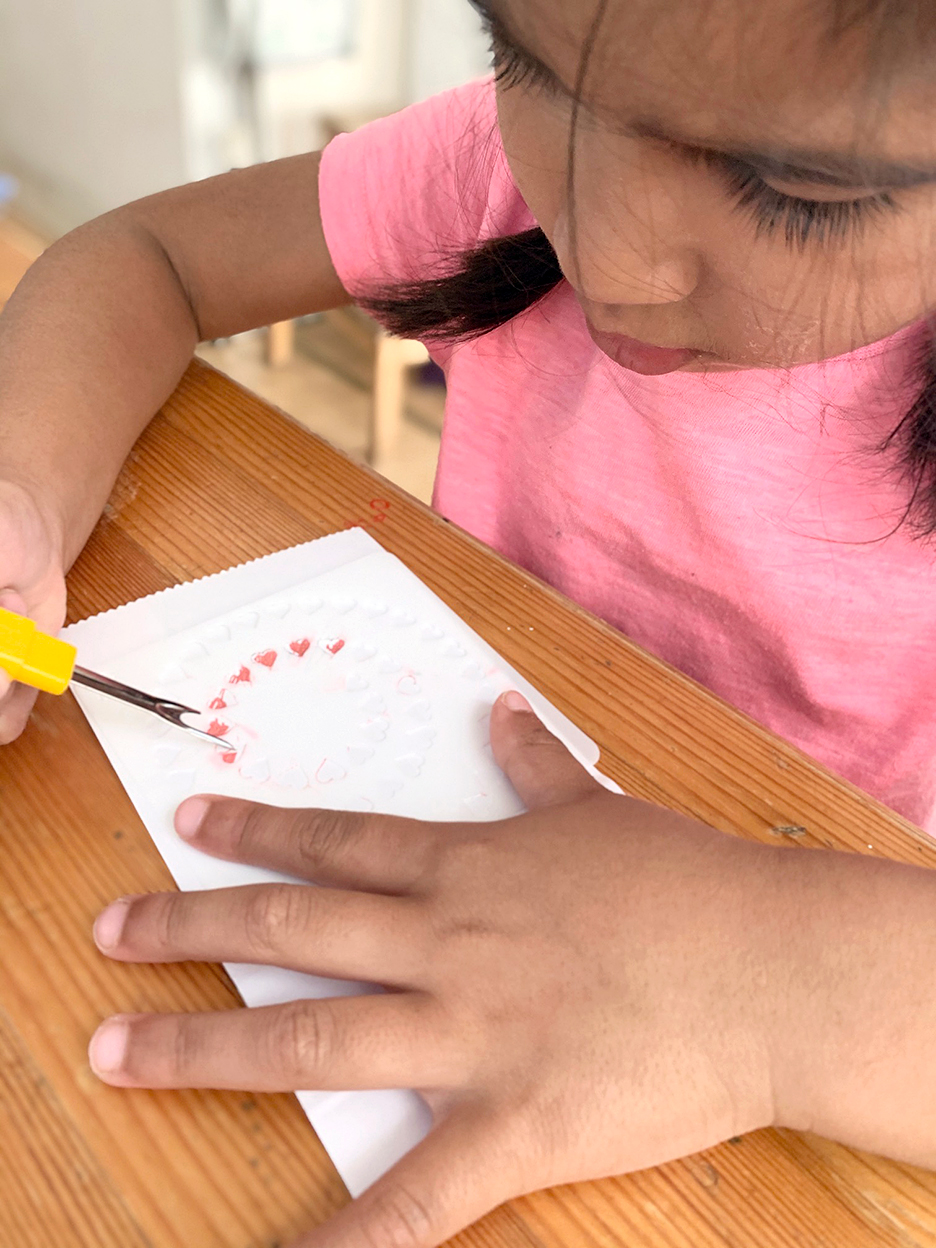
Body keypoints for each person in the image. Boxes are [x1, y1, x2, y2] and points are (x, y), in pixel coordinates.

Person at [2, 0, 936, 1244]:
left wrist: (769, 981)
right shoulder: (508, 168)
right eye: (525, 64)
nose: (604, 251)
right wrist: (19, 492)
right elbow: (150, 258)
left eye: (796, 191)